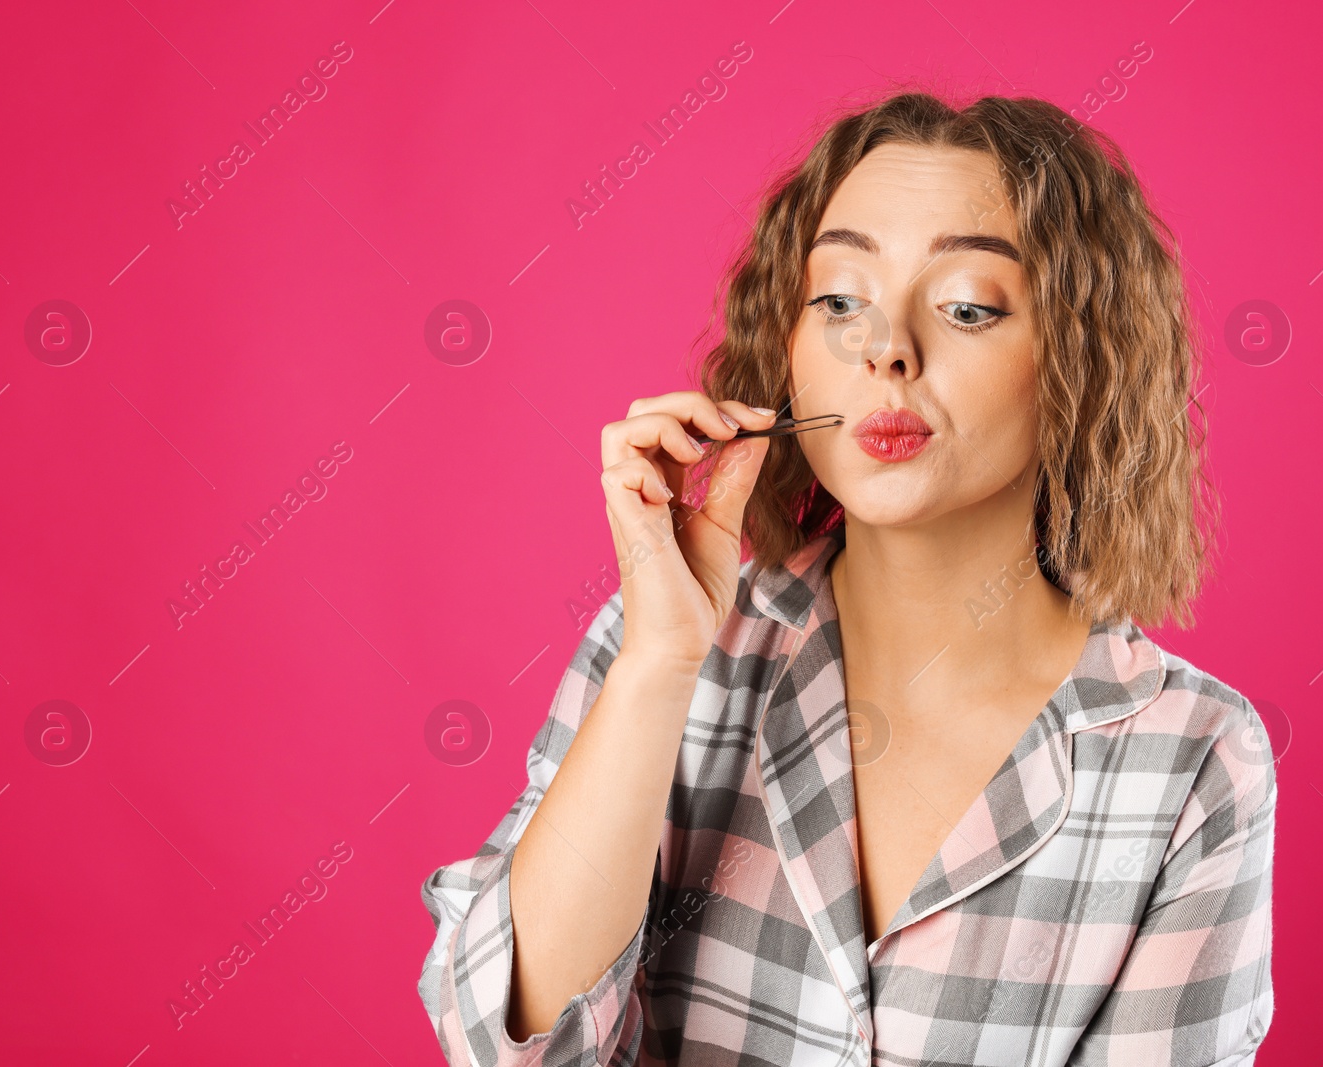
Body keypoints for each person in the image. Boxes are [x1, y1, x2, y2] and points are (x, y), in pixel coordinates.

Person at [418, 89, 1276, 1066]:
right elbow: (502, 1045)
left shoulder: (1193, 762)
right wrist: (660, 660)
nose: (886, 348)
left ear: (1083, 359)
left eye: (965, 306)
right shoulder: (660, 646)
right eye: (839, 298)